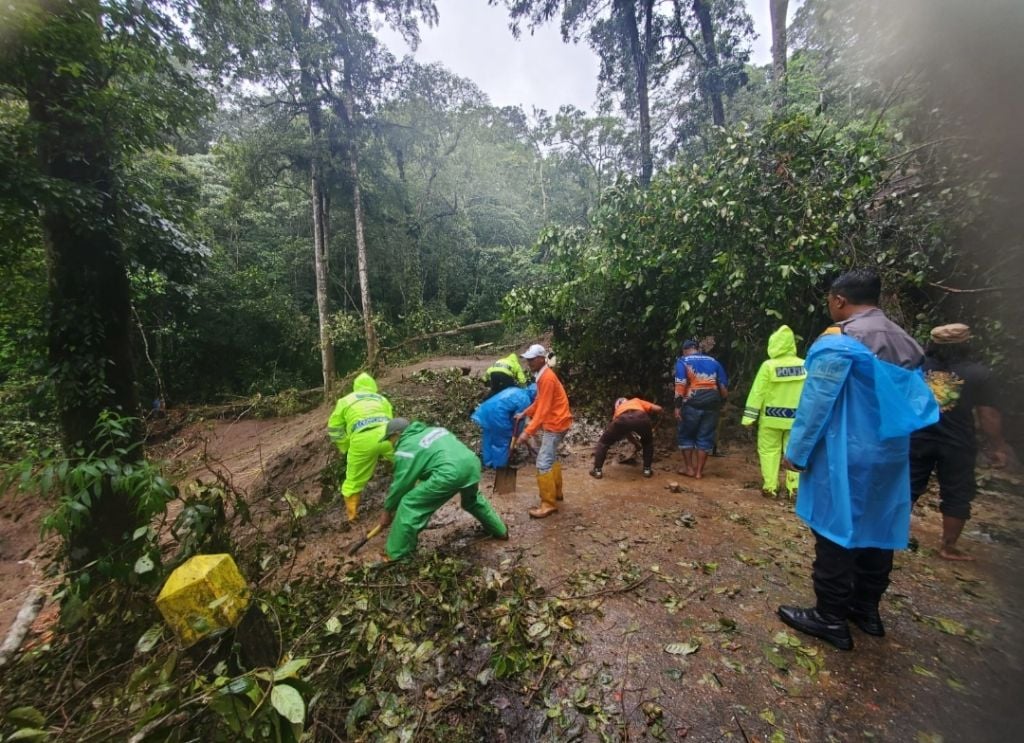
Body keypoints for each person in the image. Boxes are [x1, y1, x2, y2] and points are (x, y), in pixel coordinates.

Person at [778, 268, 937, 651]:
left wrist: (796, 454)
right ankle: (866, 611)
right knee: (878, 530)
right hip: (891, 453)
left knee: (835, 530)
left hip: (845, 452)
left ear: (839, 300)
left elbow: (816, 404)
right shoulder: (906, 342)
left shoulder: (839, 340)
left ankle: (829, 617)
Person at [910, 323, 1011, 561]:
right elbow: (988, 415)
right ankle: (948, 546)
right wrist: (998, 446)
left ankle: (892, 536)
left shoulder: (918, 366)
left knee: (906, 486)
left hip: (917, 436)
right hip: (957, 441)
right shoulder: (978, 373)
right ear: (966, 344)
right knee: (957, 493)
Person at [377, 418, 508, 560]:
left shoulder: (405, 448)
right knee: (472, 500)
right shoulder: (434, 430)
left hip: (449, 473)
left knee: (409, 504)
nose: (391, 443)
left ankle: (396, 555)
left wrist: (387, 510)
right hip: (471, 464)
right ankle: (500, 530)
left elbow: (401, 485)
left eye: (390, 439)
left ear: (397, 434)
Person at [741, 325, 806, 498]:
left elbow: (757, 393)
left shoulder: (768, 366)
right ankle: (794, 488)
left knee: (769, 452)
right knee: (793, 453)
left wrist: (748, 419)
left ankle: (770, 487)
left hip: (770, 419)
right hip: (796, 420)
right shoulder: (804, 365)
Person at [514, 343, 573, 518]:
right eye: (528, 359)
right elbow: (540, 402)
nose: (529, 362)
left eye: (532, 359)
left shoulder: (546, 377)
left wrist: (527, 432)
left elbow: (544, 409)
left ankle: (548, 504)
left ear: (541, 359)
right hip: (558, 421)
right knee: (551, 458)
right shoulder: (543, 375)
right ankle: (557, 493)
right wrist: (524, 413)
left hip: (555, 423)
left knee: (543, 463)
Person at [327, 372, 394, 522]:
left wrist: (345, 446)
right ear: (373, 387)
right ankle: (427, 494)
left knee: (353, 481)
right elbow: (391, 420)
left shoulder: (345, 401)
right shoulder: (382, 399)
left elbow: (334, 427)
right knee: (410, 461)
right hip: (387, 435)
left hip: (362, 440)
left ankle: (352, 516)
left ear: (355, 387)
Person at [674, 340, 729, 479]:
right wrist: (721, 403)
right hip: (712, 403)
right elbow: (723, 386)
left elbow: (680, 384)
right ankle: (699, 472)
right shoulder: (714, 361)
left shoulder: (683, 361)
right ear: (697, 349)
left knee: (686, 435)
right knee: (705, 436)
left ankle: (689, 469)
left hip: (691, 403)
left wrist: (677, 407)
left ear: (685, 350)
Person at [590, 397, 663, 479]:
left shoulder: (617, 411)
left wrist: (636, 443)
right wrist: (661, 415)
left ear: (617, 406)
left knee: (603, 443)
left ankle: (597, 471)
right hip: (641, 417)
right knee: (648, 443)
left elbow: (625, 432)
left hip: (622, 419)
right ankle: (647, 470)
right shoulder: (636, 401)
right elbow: (658, 408)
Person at [471, 384, 537, 468]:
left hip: (485, 411)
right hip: (498, 415)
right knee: (502, 442)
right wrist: (516, 436)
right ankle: (499, 467)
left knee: (489, 438)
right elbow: (518, 420)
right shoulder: (525, 400)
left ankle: (488, 463)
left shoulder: (516, 390)